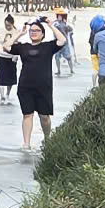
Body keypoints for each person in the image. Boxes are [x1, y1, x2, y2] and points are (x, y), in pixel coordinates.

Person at [9, 19, 62, 149]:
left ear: (43, 34)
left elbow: (62, 41)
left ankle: (47, 138)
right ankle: (26, 143)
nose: (34, 33)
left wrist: (50, 25)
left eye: (37, 31)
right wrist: (20, 33)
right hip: (25, 87)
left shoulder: (48, 46)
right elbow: (6, 46)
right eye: (32, 31)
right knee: (27, 114)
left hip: (44, 87)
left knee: (44, 117)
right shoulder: (23, 47)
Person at [0, 13, 20, 106]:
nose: (7, 27)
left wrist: (16, 56)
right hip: (1, 56)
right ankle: (2, 96)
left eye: (9, 25)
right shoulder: (1, 31)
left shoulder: (17, 32)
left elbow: (17, 45)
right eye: (6, 25)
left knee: (10, 78)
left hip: (11, 57)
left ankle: (7, 94)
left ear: (12, 24)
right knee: (1, 76)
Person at [50, 7, 76, 76]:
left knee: (68, 57)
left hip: (65, 43)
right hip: (57, 43)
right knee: (57, 57)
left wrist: (66, 24)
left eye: (60, 16)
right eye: (58, 16)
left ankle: (71, 70)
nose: (59, 17)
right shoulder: (56, 23)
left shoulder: (65, 24)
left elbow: (71, 30)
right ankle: (58, 70)